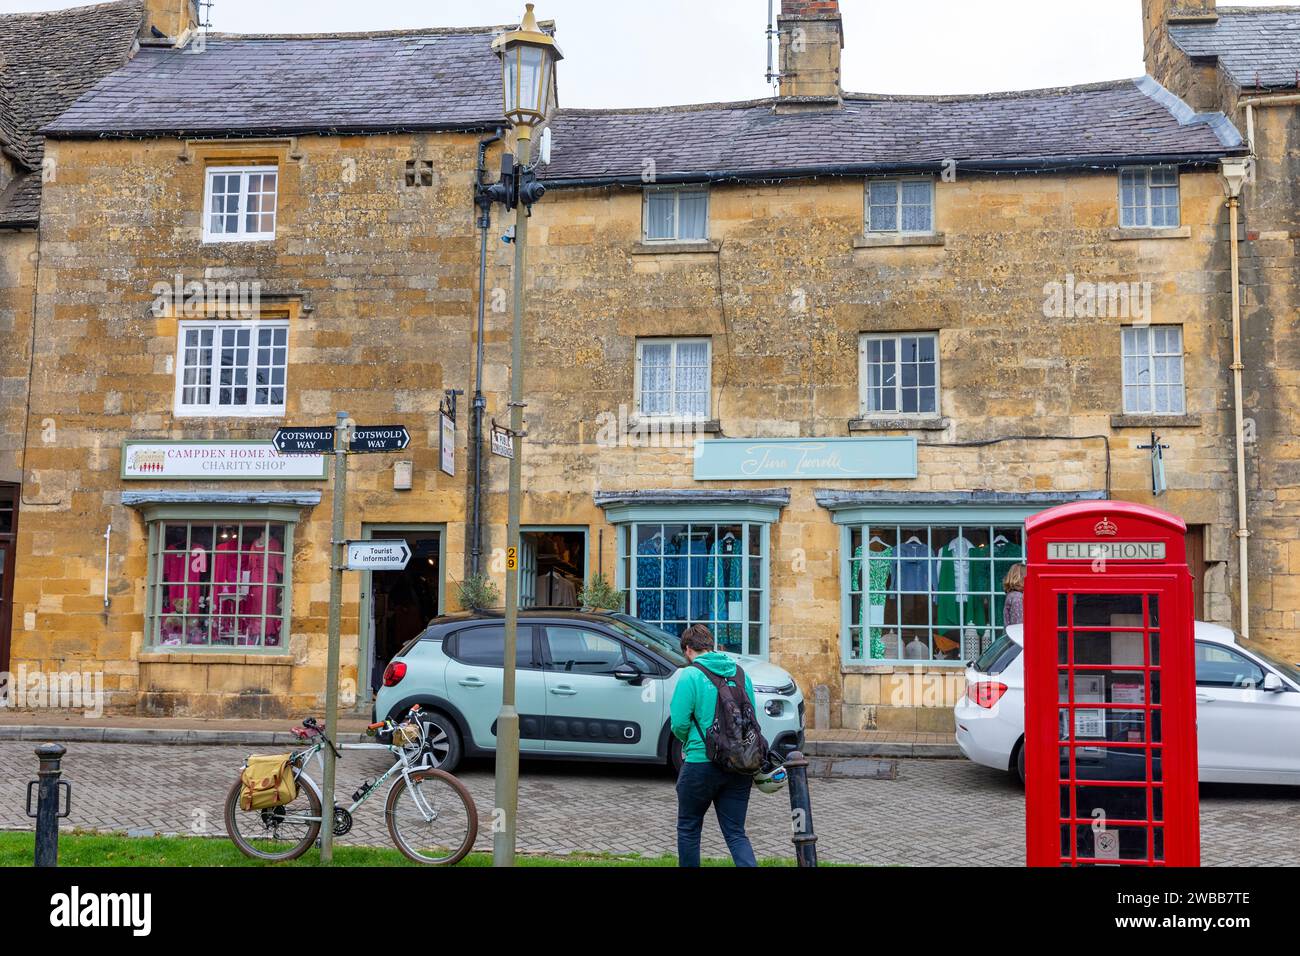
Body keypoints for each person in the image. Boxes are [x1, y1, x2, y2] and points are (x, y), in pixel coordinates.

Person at [670, 623, 758, 868]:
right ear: (710, 644)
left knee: (689, 827)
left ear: (688, 649)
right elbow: (752, 718)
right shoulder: (740, 673)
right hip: (738, 763)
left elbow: (678, 722)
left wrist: (690, 742)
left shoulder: (690, 675)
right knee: (736, 832)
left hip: (700, 762)